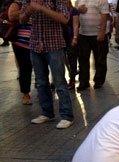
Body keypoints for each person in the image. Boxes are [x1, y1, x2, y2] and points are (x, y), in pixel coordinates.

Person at [20, 0, 74, 129]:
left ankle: (67, 116)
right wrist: (29, 10)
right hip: (35, 44)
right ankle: (47, 113)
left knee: (59, 82)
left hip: (54, 45)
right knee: (41, 82)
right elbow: (21, 19)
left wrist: (42, 8)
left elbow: (65, 18)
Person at [75, 0, 109, 91]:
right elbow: (74, 15)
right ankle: (84, 82)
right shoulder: (79, 1)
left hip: (98, 35)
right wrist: (78, 9)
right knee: (82, 59)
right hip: (83, 34)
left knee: (100, 59)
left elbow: (104, 16)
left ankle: (99, 81)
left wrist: (102, 32)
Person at [7, 0, 32, 105]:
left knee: (42, 67)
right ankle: (25, 94)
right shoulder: (18, 3)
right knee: (25, 68)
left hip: (39, 40)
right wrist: (27, 10)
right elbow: (11, 16)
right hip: (21, 43)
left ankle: (43, 89)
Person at [64, 0, 79, 90]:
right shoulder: (58, 10)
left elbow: (76, 25)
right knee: (63, 60)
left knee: (72, 60)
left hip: (70, 38)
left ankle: (72, 80)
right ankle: (68, 76)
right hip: (60, 38)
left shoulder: (73, 10)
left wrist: (75, 38)